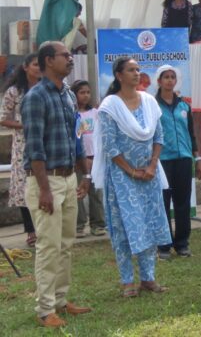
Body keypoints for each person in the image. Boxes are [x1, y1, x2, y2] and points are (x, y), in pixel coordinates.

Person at [21, 41, 92, 328]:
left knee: (65, 243)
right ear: (49, 60)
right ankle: (45, 309)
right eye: (65, 55)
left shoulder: (68, 94)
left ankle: (61, 300)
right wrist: (45, 190)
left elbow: (77, 137)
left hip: (69, 177)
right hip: (46, 180)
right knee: (49, 246)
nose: (71, 59)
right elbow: (34, 147)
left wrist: (85, 175)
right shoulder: (36, 97)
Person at [92, 57, 171, 298]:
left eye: (138, 69)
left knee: (149, 223)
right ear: (119, 75)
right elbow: (110, 146)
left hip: (149, 174)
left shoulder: (149, 102)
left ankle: (148, 278)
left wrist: (152, 165)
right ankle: (127, 281)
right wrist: (132, 171)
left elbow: (159, 137)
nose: (137, 73)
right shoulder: (110, 106)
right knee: (124, 227)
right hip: (122, 176)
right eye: (131, 70)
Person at [155, 65, 201, 259]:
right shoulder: (153, 106)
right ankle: (164, 245)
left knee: (182, 203)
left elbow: (191, 134)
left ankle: (182, 244)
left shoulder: (184, 106)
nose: (169, 80)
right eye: (166, 77)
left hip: (184, 159)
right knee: (163, 203)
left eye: (172, 77)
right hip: (162, 160)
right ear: (159, 81)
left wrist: (197, 159)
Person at [0, 53, 41, 247]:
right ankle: (31, 230)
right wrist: (24, 125)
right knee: (25, 187)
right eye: (35, 64)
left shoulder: (47, 88)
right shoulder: (15, 91)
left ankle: (45, 228)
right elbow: (3, 118)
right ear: (25, 67)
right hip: (23, 144)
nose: (39, 68)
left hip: (46, 142)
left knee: (46, 183)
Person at [71, 80, 105, 238]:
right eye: (81, 92)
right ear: (74, 95)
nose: (85, 96)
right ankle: (78, 225)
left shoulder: (95, 113)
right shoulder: (72, 114)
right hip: (79, 160)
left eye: (88, 92)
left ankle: (98, 224)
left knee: (96, 193)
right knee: (78, 192)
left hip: (95, 158)